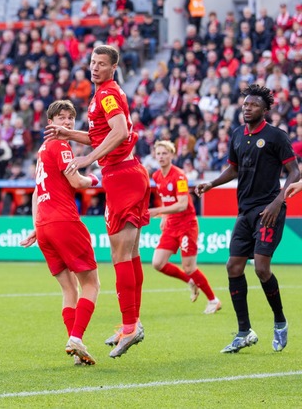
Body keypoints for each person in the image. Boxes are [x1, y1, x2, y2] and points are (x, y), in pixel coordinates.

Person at [44, 45, 150, 358]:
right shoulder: (104, 93)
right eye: (92, 62)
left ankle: (130, 326)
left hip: (121, 175)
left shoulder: (107, 94)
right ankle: (132, 323)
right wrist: (69, 133)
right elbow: (101, 134)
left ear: (113, 67)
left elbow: (117, 132)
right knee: (129, 253)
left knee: (120, 254)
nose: (95, 68)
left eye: (101, 64)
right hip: (127, 172)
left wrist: (89, 159)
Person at [196, 84, 299, 354]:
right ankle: (244, 332)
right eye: (244, 104)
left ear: (264, 110)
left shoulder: (276, 136)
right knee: (233, 266)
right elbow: (233, 169)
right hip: (244, 212)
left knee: (262, 268)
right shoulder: (237, 135)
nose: (246, 108)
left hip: (268, 210)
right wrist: (211, 184)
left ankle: (279, 321)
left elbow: (294, 171)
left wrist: (279, 201)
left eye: (253, 105)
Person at [20, 100, 100, 366]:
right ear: (50, 122)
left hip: (45, 226)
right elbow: (76, 181)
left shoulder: (42, 150)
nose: (67, 122)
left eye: (70, 118)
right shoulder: (61, 145)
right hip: (64, 221)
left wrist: (36, 226)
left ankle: (74, 345)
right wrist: (94, 180)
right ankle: (76, 337)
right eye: (61, 118)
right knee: (91, 284)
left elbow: (35, 193)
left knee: (69, 289)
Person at [149, 141, 221, 314]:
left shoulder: (179, 176)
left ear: (172, 155)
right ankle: (190, 281)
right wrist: (165, 216)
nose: (161, 157)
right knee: (158, 263)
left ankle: (213, 300)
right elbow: (168, 198)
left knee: (189, 267)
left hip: (187, 225)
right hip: (171, 225)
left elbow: (181, 204)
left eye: (164, 153)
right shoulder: (157, 176)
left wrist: (158, 211)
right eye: (158, 154)